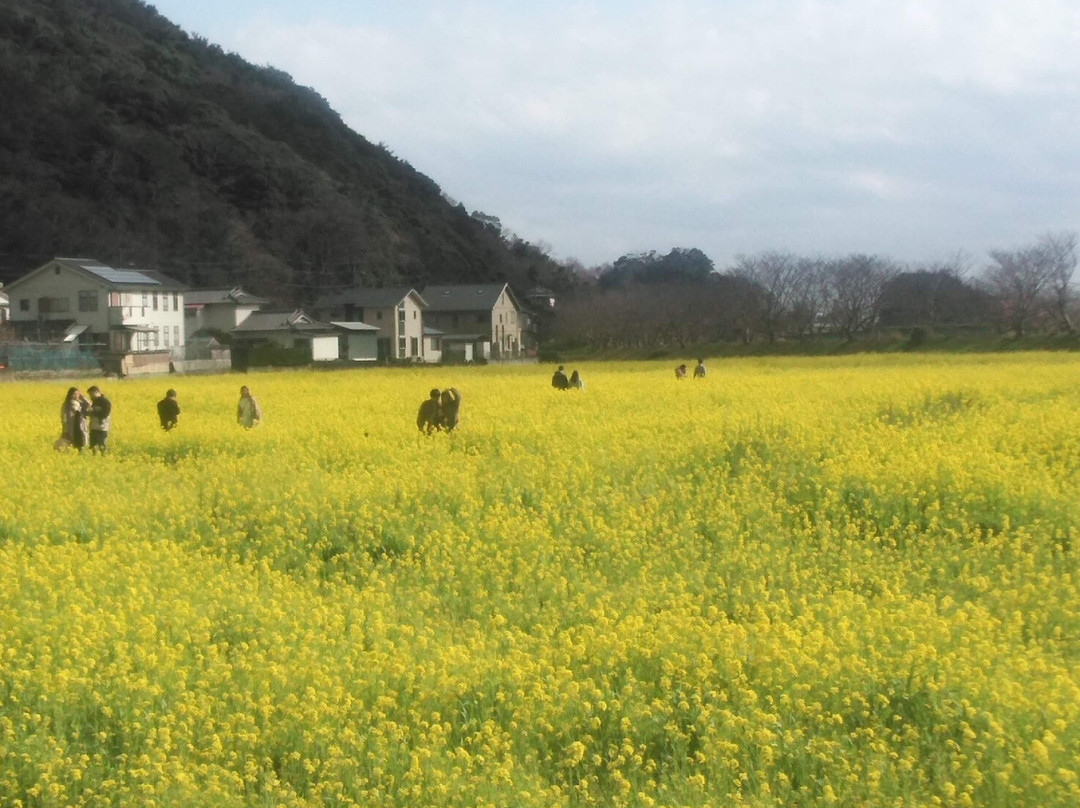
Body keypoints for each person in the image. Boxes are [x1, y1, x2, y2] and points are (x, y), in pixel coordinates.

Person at [59, 387, 89, 451]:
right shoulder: (68, 404)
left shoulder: (80, 403)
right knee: (72, 441)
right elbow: (63, 416)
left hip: (80, 425)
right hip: (72, 425)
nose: (76, 396)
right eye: (74, 394)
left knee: (80, 442)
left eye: (77, 394)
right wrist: (65, 427)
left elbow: (89, 405)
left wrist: (83, 398)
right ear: (70, 395)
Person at [86, 385, 112, 455]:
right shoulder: (95, 401)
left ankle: (103, 456)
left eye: (92, 394)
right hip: (94, 426)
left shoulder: (105, 402)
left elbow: (105, 414)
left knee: (101, 444)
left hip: (101, 427)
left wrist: (94, 411)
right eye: (90, 395)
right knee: (92, 444)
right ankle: (94, 456)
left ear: (97, 392)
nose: (91, 396)